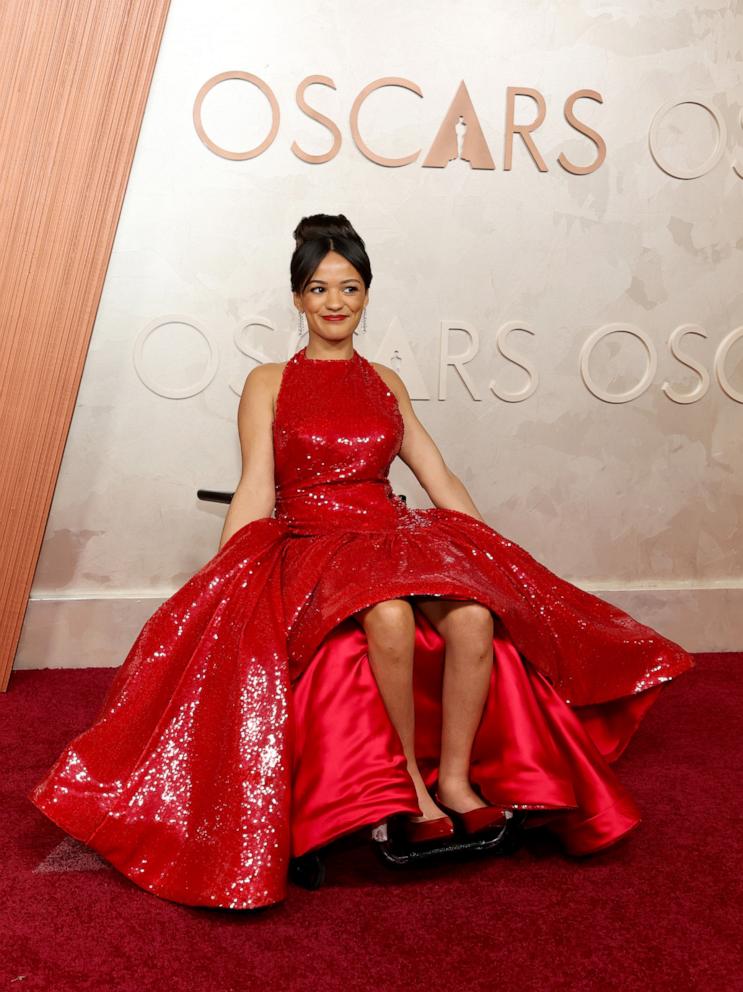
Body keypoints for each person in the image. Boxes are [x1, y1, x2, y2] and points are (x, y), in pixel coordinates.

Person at [29, 213, 695, 911]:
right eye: (318, 289)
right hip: (314, 542)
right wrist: (225, 576)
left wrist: (495, 559)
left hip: (390, 533)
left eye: (348, 287)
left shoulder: (384, 381)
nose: (335, 302)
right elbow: (258, 481)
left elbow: (437, 474)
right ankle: (406, 784)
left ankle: (459, 783)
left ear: (367, 294)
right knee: (386, 614)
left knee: (471, 614)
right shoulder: (267, 383)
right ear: (297, 299)